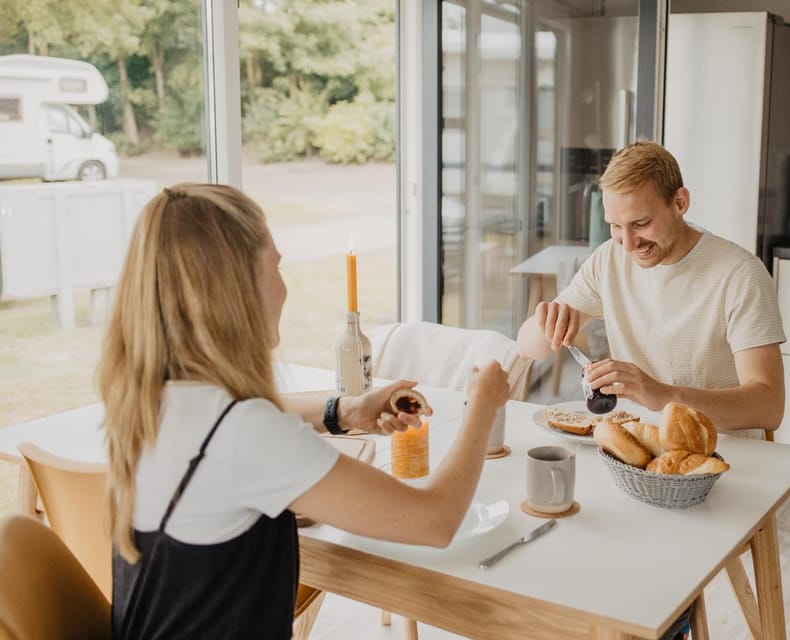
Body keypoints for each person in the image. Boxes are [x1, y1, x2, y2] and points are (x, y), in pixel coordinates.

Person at [99, 183, 509, 639]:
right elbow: (434, 521)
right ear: (237, 288)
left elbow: (250, 418)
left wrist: (345, 411)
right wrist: (482, 405)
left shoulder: (148, 400)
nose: (284, 286)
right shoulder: (245, 436)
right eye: (274, 265)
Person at [517, 141, 785, 435]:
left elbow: (769, 406)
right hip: (638, 446)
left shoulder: (740, 274)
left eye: (641, 223)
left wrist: (662, 396)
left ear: (680, 203)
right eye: (616, 226)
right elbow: (528, 347)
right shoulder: (610, 258)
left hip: (720, 452)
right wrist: (546, 324)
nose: (629, 244)